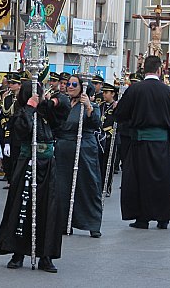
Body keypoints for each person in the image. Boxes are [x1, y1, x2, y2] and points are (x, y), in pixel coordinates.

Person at [0, 80, 62, 273]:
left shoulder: (47, 112)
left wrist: (51, 101)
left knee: (47, 208)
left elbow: (63, 107)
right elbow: (22, 130)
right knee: (21, 206)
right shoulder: (21, 113)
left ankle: (46, 255)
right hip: (27, 163)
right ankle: (18, 252)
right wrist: (30, 108)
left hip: (47, 164)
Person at [113, 55, 170, 230]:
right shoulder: (168, 92)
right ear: (159, 70)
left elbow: (120, 114)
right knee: (162, 180)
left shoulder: (135, 89)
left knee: (140, 180)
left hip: (140, 143)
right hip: (162, 144)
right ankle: (163, 218)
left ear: (144, 70)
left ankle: (142, 219)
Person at [54, 75, 102, 237]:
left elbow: (96, 123)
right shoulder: (64, 104)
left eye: (75, 84)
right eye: (68, 84)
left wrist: (88, 107)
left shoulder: (91, 105)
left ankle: (92, 223)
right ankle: (64, 222)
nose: (70, 86)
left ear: (83, 87)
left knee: (87, 185)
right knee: (62, 187)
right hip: (63, 149)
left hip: (84, 149)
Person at [0, 72, 21, 188]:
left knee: (16, 155)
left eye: (13, 83)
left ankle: (15, 179)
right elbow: (4, 112)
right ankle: (8, 176)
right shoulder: (7, 97)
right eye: (10, 83)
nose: (10, 85)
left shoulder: (21, 98)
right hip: (6, 127)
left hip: (16, 128)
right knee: (7, 154)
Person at [99, 82, 117, 197]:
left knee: (108, 164)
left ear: (113, 94)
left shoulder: (116, 107)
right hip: (100, 138)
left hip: (110, 137)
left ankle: (107, 186)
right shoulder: (101, 106)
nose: (104, 95)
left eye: (106, 92)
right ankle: (99, 185)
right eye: (103, 92)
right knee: (100, 163)